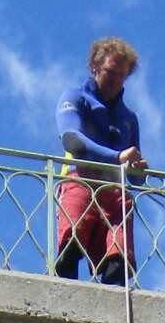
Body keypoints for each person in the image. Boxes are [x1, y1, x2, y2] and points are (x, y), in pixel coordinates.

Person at [54, 38, 147, 286]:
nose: (116, 80)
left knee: (119, 257)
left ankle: (113, 309)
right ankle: (66, 298)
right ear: (94, 67)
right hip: (80, 180)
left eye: (121, 75)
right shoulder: (76, 98)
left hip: (115, 191)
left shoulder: (129, 119)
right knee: (71, 243)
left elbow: (136, 177)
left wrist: (138, 171)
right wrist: (117, 157)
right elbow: (71, 138)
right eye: (110, 72)